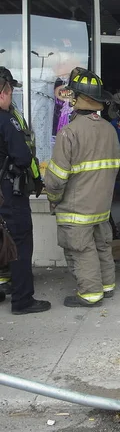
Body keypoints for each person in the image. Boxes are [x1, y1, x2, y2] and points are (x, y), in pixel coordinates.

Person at [45, 69, 120, 307]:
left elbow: (57, 177)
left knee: (81, 250)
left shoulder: (69, 132)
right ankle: (107, 286)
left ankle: (90, 294)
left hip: (77, 208)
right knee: (101, 246)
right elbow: (115, 166)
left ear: (77, 99)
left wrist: (54, 198)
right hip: (101, 206)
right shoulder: (110, 130)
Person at [0, 67, 51, 314]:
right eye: (11, 92)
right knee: (19, 242)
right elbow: (21, 155)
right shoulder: (6, 120)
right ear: (3, 93)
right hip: (8, 192)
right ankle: (22, 300)